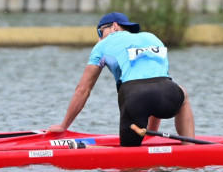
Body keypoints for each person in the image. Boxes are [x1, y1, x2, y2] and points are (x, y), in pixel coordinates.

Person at [49, 12, 195, 146]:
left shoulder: (102, 45)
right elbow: (158, 80)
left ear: (114, 27)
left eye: (100, 32)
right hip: (167, 93)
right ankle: (190, 147)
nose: (99, 38)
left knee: (129, 164)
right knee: (182, 93)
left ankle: (80, 148)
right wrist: (150, 135)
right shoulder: (152, 37)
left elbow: (83, 89)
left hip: (134, 97)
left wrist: (63, 126)